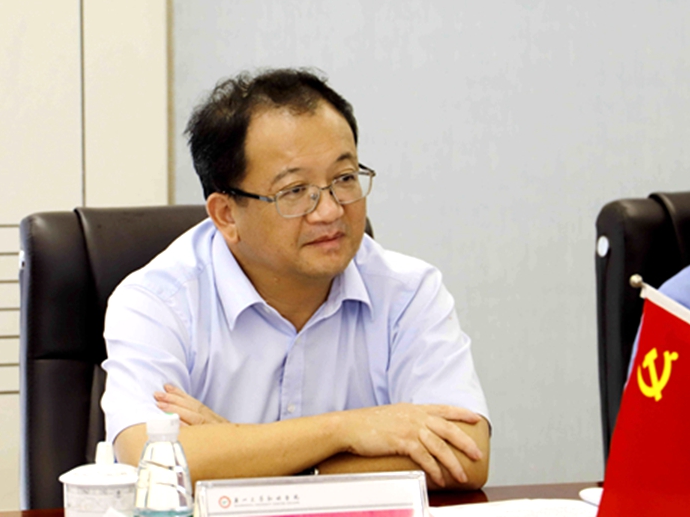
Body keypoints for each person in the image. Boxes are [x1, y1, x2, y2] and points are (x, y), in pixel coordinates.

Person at [101, 68, 490, 489]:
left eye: (344, 179)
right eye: (294, 191)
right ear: (226, 215)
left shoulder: (408, 291)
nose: (330, 211)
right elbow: (152, 461)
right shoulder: (158, 301)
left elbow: (465, 456)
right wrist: (348, 429)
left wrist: (244, 451)